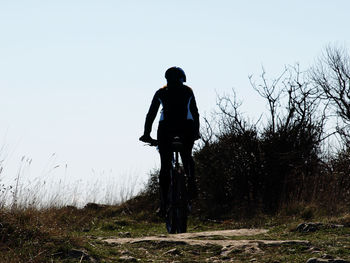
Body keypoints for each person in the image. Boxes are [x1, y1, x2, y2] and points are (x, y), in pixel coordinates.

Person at [139, 66, 200, 216]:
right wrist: (196, 132)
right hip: (187, 130)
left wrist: (146, 134)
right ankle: (192, 183)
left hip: (165, 131)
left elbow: (151, 114)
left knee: (165, 166)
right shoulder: (188, 91)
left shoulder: (161, 92)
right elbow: (195, 113)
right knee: (187, 157)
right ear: (182, 79)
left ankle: (164, 204)